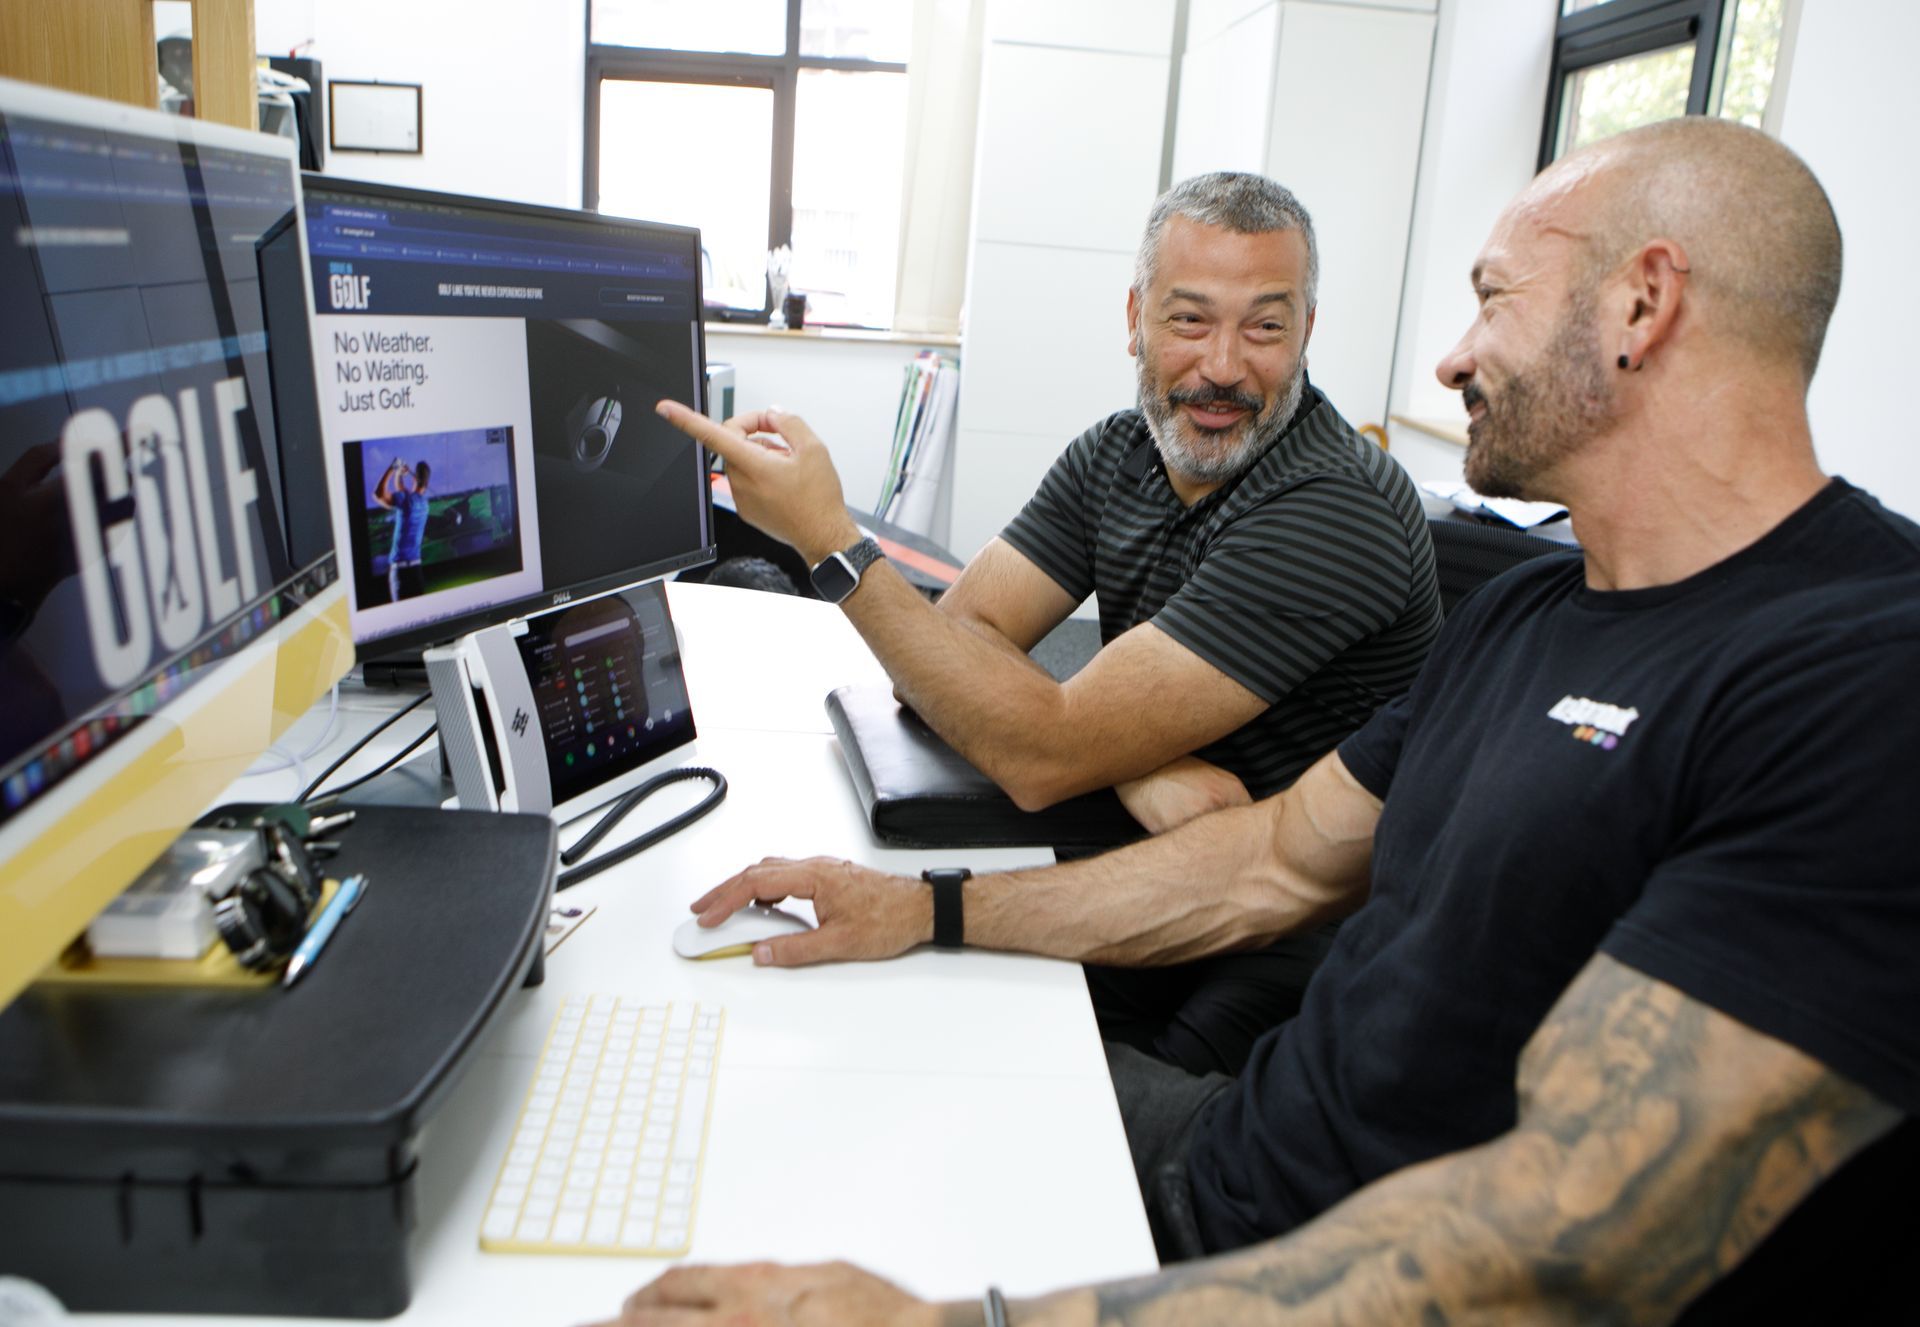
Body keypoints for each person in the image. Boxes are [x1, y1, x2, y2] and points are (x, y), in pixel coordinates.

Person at [599, 118, 1918, 1326]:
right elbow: (1275, 856)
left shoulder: (1864, 673)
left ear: (1644, 302)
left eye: (1492, 298)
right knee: (775, 1102)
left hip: (1321, 1257)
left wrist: (964, 1323)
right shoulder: (1531, 611)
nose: (1453, 357)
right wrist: (925, 909)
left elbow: (1585, 1233)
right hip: (1239, 1145)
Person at [659, 173, 1442, 1074]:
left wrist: (831, 539)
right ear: (1136, 316)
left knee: (976, 1068)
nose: (1224, 365)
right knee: (872, 1002)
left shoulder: (1336, 510)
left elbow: (1037, 757)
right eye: (1190, 320)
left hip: (1281, 940)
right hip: (1139, 859)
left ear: (1307, 330)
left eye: (1264, 326)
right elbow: (957, 634)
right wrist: (1134, 757)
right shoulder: (1118, 451)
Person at [372, 457, 431, 600]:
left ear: (414, 478)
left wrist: (393, 468)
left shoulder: (405, 499)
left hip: (400, 572)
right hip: (416, 570)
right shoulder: (424, 504)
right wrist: (399, 475)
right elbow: (403, 491)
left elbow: (378, 494)